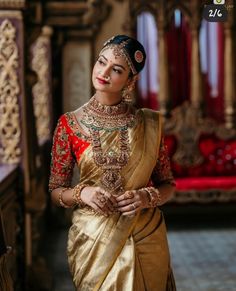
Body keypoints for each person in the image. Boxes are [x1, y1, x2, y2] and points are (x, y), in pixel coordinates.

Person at [49, 35, 176, 290]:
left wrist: (146, 197)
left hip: (145, 236)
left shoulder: (148, 124)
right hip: (93, 240)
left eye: (116, 69)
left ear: (131, 80)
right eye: (101, 62)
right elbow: (55, 190)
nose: (103, 72)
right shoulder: (69, 125)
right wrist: (82, 192)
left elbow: (168, 185)